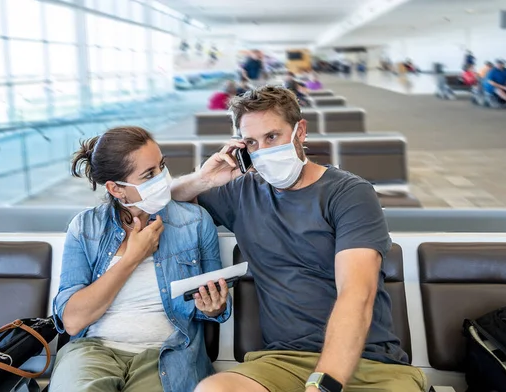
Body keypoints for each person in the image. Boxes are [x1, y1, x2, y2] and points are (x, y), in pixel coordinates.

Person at [171, 86, 427, 392]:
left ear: (300, 131)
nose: (263, 150)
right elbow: (162, 205)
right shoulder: (240, 193)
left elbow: (356, 294)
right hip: (282, 361)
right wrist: (204, 179)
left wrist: (322, 384)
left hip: (367, 362)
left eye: (272, 137)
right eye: (251, 142)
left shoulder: (349, 193)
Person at [50, 126, 232, 392]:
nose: (162, 179)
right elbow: (73, 320)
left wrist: (213, 307)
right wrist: (132, 258)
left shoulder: (194, 222)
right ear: (116, 188)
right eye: (149, 174)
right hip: (93, 352)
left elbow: (216, 308)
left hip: (167, 353)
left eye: (162, 166)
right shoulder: (85, 228)